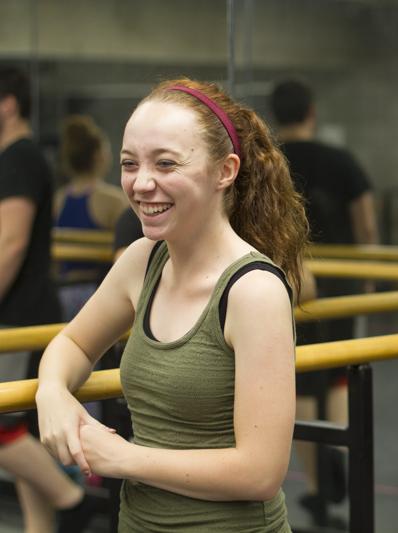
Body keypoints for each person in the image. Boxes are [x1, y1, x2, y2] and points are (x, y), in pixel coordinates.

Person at [35, 77, 309, 532]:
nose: (142, 183)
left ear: (225, 171)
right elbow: (74, 345)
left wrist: (124, 457)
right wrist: (52, 393)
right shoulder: (144, 261)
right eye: (129, 164)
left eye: (166, 164)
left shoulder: (253, 290)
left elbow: (261, 473)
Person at [270, 78, 377, 528]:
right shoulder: (342, 161)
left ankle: (316, 483)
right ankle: (338, 453)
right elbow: (367, 225)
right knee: (338, 375)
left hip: (289, 281)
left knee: (301, 379)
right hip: (341, 283)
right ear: (311, 111)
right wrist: (368, 279)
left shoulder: (270, 163)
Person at [0, 66, 94, 533]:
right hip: (22, 314)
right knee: (20, 433)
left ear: (8, 104)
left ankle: (74, 500)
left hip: (17, 318)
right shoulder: (16, 158)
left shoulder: (18, 158)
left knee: (3, 430)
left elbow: (10, 245)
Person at [54, 114, 128, 320]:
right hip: (97, 293)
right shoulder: (113, 201)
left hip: (62, 291)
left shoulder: (59, 200)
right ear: (98, 155)